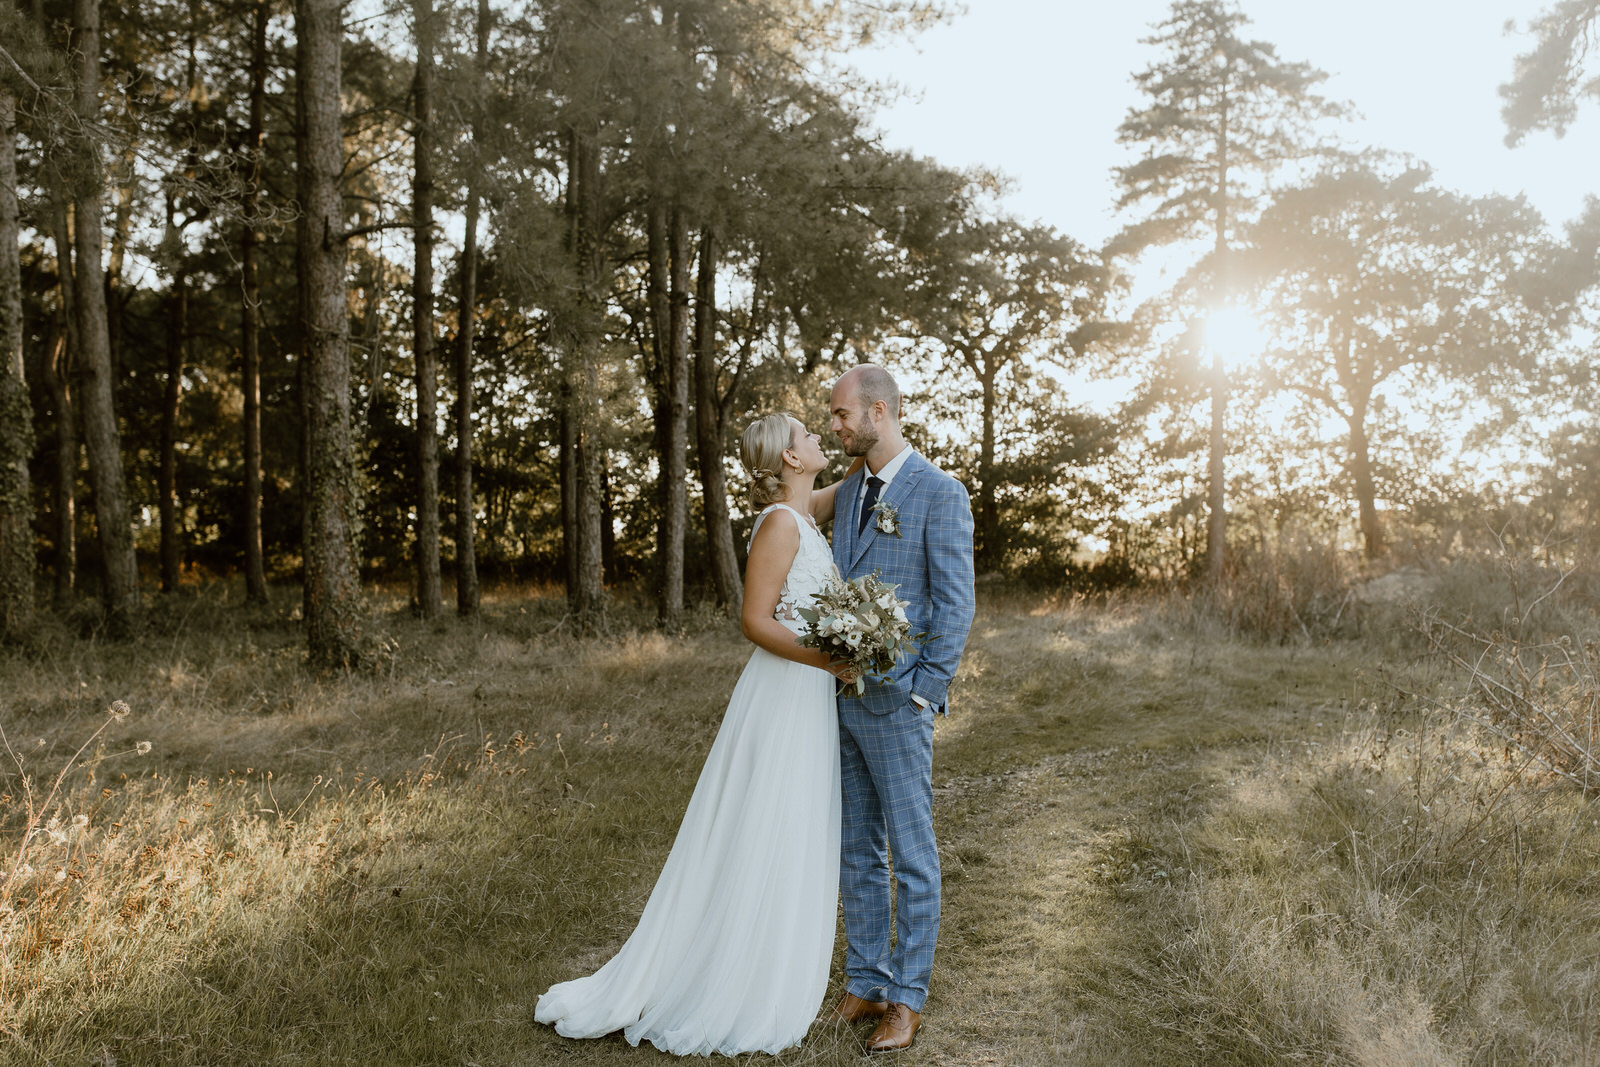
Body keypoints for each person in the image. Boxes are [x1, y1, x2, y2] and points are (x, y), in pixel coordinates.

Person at [534, 412, 858, 1057]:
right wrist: (831, 660)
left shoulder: (804, 514)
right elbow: (754, 621)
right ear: (791, 460)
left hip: (807, 696)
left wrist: (874, 442)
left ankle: (765, 953)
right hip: (784, 693)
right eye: (810, 436)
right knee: (764, 820)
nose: (821, 439)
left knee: (790, 823)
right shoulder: (778, 525)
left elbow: (853, 482)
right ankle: (729, 973)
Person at [825, 364, 976, 1052]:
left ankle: (907, 999)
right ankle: (865, 978)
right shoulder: (850, 490)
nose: (835, 425)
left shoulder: (940, 493)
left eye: (840, 414)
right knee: (857, 848)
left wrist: (925, 687)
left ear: (878, 412)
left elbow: (954, 602)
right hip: (840, 701)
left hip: (899, 701)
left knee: (912, 854)